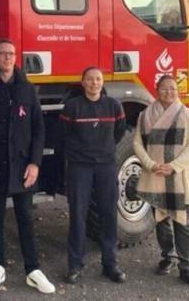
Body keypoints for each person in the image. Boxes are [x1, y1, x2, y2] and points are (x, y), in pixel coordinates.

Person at [0, 39, 55, 294]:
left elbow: (39, 129)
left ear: (15, 58)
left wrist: (35, 164)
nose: (7, 58)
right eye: (3, 54)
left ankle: (33, 269)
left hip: (22, 168)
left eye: (11, 54)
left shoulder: (27, 90)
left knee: (25, 218)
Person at [133, 75, 189, 287]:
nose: (169, 92)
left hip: (178, 176)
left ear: (178, 90)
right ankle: (167, 257)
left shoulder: (188, 115)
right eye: (164, 89)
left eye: (172, 89)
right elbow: (137, 143)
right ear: (157, 90)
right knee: (161, 221)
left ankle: (187, 266)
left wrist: (173, 166)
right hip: (155, 174)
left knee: (183, 222)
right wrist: (150, 164)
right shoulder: (145, 115)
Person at [60, 66, 127, 284]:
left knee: (109, 214)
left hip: (106, 166)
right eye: (89, 79)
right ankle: (75, 266)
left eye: (98, 79)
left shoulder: (113, 106)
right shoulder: (72, 107)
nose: (94, 83)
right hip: (80, 168)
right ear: (82, 82)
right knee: (78, 216)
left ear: (102, 82)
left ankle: (110, 264)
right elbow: (62, 136)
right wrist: (78, 155)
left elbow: (119, 131)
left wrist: (104, 151)